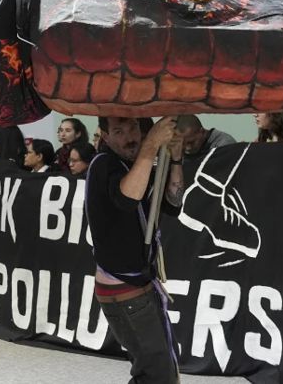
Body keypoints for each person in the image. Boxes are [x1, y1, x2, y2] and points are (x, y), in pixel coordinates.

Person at [85, 116, 185, 384]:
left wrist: (175, 158)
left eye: (133, 128)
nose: (129, 136)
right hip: (125, 289)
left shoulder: (138, 165)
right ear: (105, 137)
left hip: (137, 285)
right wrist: (151, 144)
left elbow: (174, 203)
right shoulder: (104, 164)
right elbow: (128, 199)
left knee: (156, 369)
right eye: (118, 131)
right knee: (157, 374)